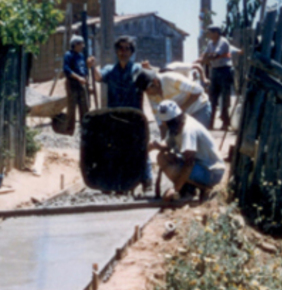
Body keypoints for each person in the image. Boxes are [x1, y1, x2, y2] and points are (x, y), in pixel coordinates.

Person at [88, 35, 152, 190]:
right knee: (115, 149)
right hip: (115, 117)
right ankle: (118, 183)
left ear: (131, 52)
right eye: (120, 48)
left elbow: (149, 82)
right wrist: (92, 67)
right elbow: (99, 77)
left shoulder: (137, 69)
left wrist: (148, 71)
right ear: (116, 51)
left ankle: (147, 181)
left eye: (127, 49)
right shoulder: (110, 70)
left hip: (134, 117)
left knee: (141, 148)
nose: (123, 52)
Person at [149, 100, 225, 202]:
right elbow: (167, 144)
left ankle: (187, 190)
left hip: (211, 172)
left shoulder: (188, 130)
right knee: (163, 156)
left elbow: (189, 163)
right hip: (201, 166)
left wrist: (175, 189)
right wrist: (155, 145)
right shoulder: (177, 125)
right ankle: (187, 187)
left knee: (174, 165)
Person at [134, 68, 211, 135]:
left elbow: (198, 90)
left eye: (147, 90)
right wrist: (163, 142)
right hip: (181, 115)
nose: (147, 93)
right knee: (176, 142)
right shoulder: (151, 94)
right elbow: (160, 121)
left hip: (199, 108)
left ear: (155, 82)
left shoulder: (171, 79)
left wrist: (181, 108)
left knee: (194, 138)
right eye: (145, 91)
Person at [201, 25, 235, 130]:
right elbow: (205, 55)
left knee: (225, 98)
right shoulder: (210, 43)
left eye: (210, 32)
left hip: (225, 70)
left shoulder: (223, 42)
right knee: (212, 98)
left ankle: (225, 123)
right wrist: (204, 58)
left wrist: (206, 59)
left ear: (216, 33)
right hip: (215, 70)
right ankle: (210, 123)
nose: (208, 35)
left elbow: (214, 55)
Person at [63, 35, 89, 135]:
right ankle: (70, 129)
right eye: (81, 44)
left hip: (81, 84)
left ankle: (85, 128)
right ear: (75, 44)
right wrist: (78, 78)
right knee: (72, 107)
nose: (82, 46)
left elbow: (84, 69)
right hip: (72, 83)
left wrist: (86, 81)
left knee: (84, 106)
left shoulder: (81, 56)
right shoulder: (68, 55)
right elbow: (66, 69)